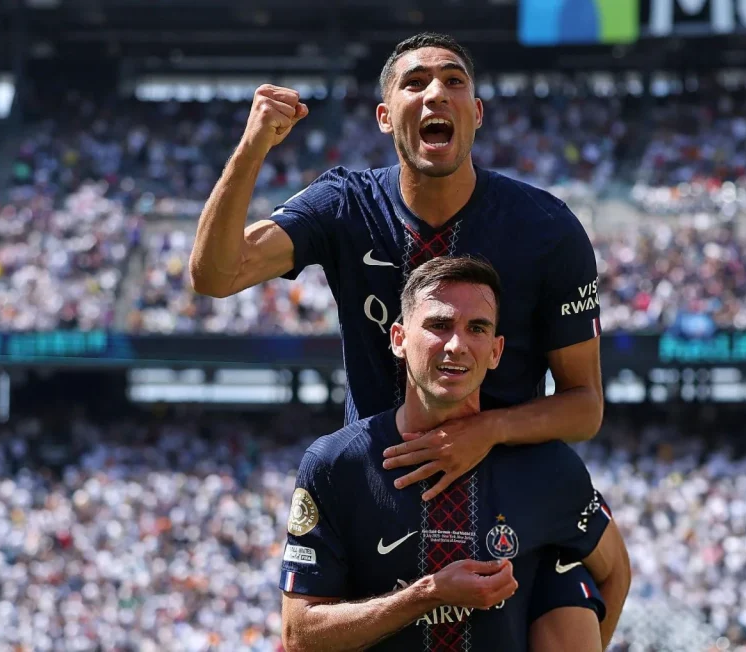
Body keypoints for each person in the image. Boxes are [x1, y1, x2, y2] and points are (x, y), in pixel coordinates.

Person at [190, 31, 622, 645]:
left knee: (571, 617)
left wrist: (486, 431)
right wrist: (253, 146)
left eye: (453, 81)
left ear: (477, 112)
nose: (435, 93)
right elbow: (215, 276)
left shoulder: (547, 228)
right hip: (380, 486)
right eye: (414, 82)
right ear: (385, 117)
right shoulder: (345, 205)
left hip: (508, 488)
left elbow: (584, 405)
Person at [279, 256, 629, 652]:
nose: (457, 345)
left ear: (496, 351)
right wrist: (428, 594)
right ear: (399, 339)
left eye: (476, 328)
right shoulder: (335, 465)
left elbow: (615, 572)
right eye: (439, 325)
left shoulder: (549, 469)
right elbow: (299, 635)